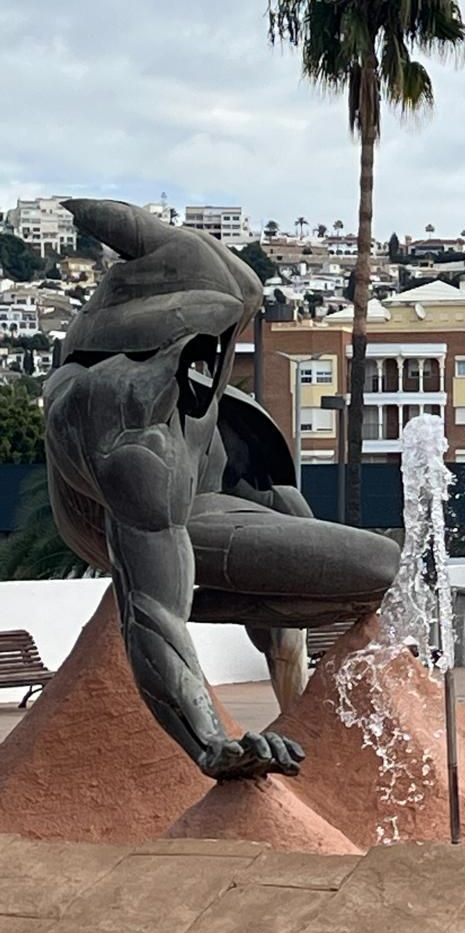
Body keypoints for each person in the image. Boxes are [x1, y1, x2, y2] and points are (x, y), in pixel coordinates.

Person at [44, 200, 399, 780]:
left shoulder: (220, 413)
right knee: (383, 564)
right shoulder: (121, 421)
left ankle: (291, 692)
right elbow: (153, 614)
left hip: (196, 506)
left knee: (313, 523)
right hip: (141, 516)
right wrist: (211, 743)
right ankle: (238, 645)